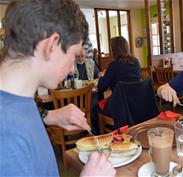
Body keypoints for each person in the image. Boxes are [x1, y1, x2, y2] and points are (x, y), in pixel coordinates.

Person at [0, 0, 116, 177]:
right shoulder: (7, 136)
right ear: (52, 45)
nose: (71, 68)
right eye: (74, 54)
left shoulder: (17, 101)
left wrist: (48, 117)